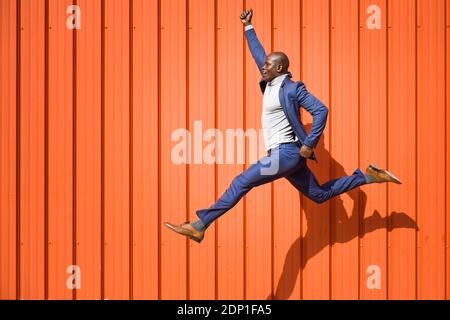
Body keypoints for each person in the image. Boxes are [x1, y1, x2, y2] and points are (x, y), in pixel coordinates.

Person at [164, 9, 401, 244]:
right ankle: (368, 177)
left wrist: (309, 144)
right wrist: (248, 27)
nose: (263, 67)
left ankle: (199, 225)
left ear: (280, 68)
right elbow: (259, 53)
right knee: (319, 195)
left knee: (241, 182)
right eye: (264, 64)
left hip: (285, 153)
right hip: (286, 157)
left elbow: (321, 110)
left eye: (267, 65)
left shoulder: (292, 88)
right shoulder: (269, 81)